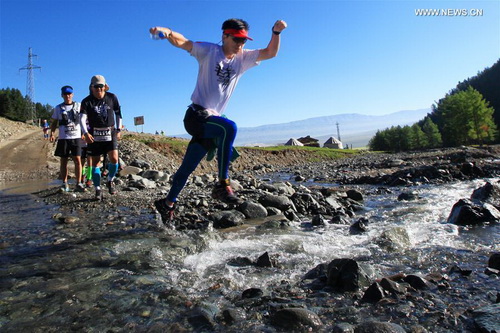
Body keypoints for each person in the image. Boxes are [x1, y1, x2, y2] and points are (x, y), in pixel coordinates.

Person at [150, 18, 287, 223]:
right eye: (237, 39)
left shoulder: (243, 58)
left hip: (212, 121)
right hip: (196, 116)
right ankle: (222, 184)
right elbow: (184, 42)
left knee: (188, 167)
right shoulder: (209, 51)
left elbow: (271, 53)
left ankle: (167, 203)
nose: (241, 44)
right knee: (229, 128)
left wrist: (276, 33)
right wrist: (168, 30)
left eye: (244, 40)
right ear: (225, 36)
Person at [80, 75, 123, 201]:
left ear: (105, 87)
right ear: (92, 88)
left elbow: (118, 114)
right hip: (95, 135)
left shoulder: (112, 97)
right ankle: (98, 189)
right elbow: (82, 118)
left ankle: (110, 180)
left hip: (110, 132)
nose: (99, 89)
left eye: (101, 86)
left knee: (114, 158)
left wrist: (119, 129)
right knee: (95, 163)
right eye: (96, 87)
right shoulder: (87, 101)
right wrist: (86, 133)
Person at [49, 85, 85, 192]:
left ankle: (79, 183)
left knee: (78, 160)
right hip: (63, 138)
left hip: (76, 137)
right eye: (65, 94)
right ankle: (64, 183)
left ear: (72, 94)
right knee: (63, 161)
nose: (67, 96)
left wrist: (85, 133)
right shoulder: (58, 108)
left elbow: (84, 119)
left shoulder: (79, 106)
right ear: (62, 95)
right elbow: (54, 122)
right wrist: (52, 133)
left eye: (69, 94)